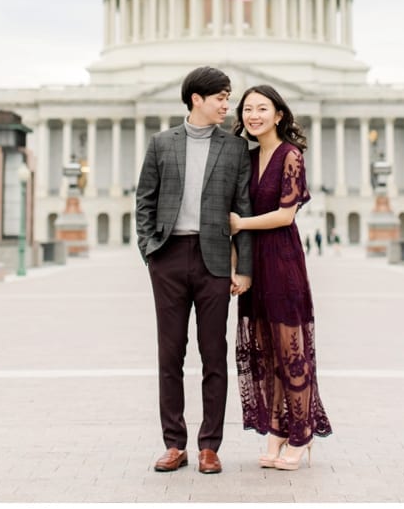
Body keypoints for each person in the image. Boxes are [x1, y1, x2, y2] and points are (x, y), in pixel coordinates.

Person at [135, 66, 254, 475]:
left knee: (213, 355)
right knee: (169, 354)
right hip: (169, 256)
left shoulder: (235, 149)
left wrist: (245, 268)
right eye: (220, 97)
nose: (227, 104)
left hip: (215, 259)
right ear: (195, 100)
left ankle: (209, 446)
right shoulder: (161, 143)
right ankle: (173, 443)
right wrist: (150, 251)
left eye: (228, 96)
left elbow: (244, 209)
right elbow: (144, 201)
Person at [229, 84, 334, 469]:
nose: (253, 115)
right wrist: (239, 267)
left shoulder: (291, 155)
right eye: (247, 109)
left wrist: (241, 223)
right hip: (257, 261)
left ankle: (301, 434)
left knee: (292, 352)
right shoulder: (249, 157)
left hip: (282, 258)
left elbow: (286, 214)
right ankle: (276, 430)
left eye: (262, 108)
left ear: (278, 115)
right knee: (267, 352)